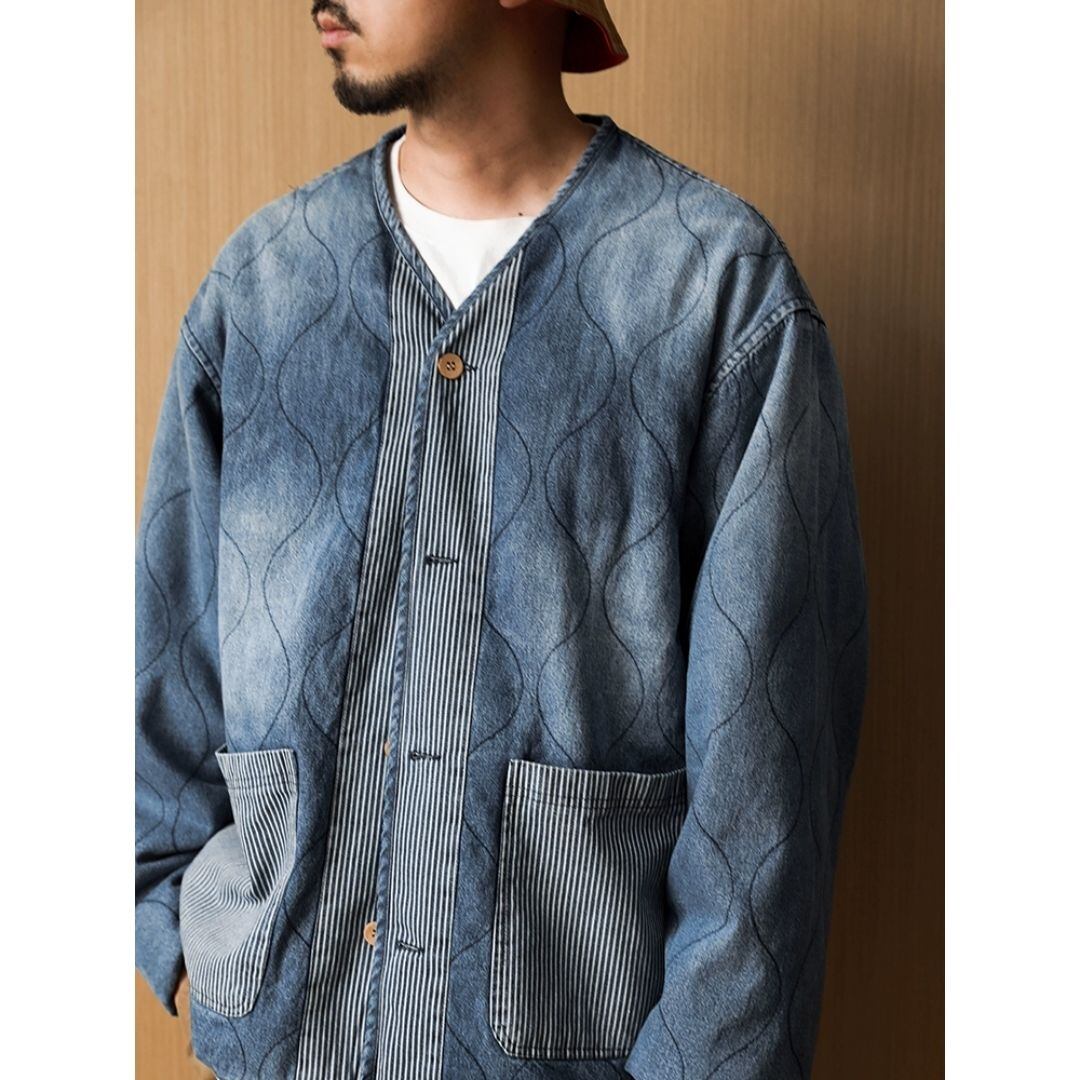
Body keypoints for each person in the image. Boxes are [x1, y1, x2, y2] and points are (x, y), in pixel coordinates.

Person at [135, 2, 870, 1078]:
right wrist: (181, 924)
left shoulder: (713, 291)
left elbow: (766, 798)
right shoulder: (263, 287)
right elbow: (166, 667)